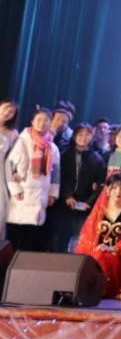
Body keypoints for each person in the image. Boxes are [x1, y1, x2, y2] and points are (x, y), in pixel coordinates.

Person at [74, 174, 121, 298]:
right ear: (108, 189)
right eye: (114, 187)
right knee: (96, 257)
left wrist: (112, 248)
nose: (118, 191)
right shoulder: (99, 212)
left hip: (119, 258)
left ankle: (97, 289)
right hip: (97, 254)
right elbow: (87, 236)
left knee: (101, 256)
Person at [6, 107, 60, 251]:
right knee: (17, 236)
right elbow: (9, 166)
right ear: (32, 121)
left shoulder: (52, 147)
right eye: (39, 119)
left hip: (41, 194)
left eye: (46, 120)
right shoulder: (22, 141)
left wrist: (52, 193)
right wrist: (15, 189)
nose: (42, 123)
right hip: (23, 193)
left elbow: (55, 173)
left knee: (33, 238)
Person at [53, 123, 106, 252]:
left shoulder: (97, 159)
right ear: (74, 136)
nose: (83, 138)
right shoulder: (64, 155)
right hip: (64, 203)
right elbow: (60, 178)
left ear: (92, 137)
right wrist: (67, 196)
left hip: (85, 206)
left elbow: (100, 184)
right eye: (80, 134)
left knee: (80, 241)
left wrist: (89, 202)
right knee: (60, 239)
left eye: (87, 135)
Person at [0, 100, 19, 241]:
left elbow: (15, 158)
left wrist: (16, 172)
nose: (8, 113)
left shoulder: (13, 133)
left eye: (12, 112)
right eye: (6, 108)